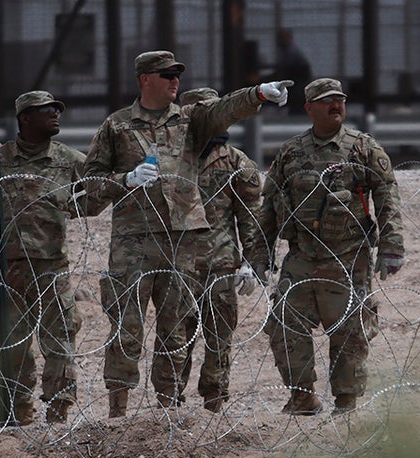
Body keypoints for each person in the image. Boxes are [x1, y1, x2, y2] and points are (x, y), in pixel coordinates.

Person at [82, 50, 293, 417]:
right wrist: (125, 180)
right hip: (133, 243)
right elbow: (90, 184)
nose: (175, 81)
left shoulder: (191, 121)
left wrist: (258, 93)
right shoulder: (116, 126)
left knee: (174, 331)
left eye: (177, 74)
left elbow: (225, 109)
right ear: (145, 79)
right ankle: (118, 410)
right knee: (127, 328)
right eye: (166, 75)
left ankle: (168, 408)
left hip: (181, 241)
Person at [259, 78, 404, 415]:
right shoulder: (291, 152)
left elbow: (387, 196)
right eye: (326, 101)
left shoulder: (362, 148)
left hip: (348, 257)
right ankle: (301, 395)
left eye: (339, 100)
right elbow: (269, 206)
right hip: (302, 256)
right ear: (309, 108)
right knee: (284, 324)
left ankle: (346, 400)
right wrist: (258, 255)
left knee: (351, 330)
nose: (335, 106)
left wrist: (391, 246)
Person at [0, 90, 93, 425]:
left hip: (51, 266)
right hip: (7, 267)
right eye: (47, 112)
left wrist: (60, 209)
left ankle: (58, 411)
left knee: (59, 340)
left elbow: (93, 198)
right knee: (10, 344)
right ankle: (15, 413)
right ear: (25, 118)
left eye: (57, 110)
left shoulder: (70, 160)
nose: (55, 116)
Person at [177, 87, 270, 413]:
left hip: (220, 263)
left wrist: (254, 262)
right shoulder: (171, 160)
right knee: (175, 338)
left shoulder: (235, 162)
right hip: (178, 264)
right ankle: (170, 404)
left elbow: (250, 217)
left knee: (220, 337)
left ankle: (214, 400)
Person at [270, 29, 313, 116]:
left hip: (298, 86)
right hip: (296, 86)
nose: (280, 41)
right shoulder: (287, 52)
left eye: (283, 38)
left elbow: (285, 70)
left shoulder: (291, 53)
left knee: (296, 109)